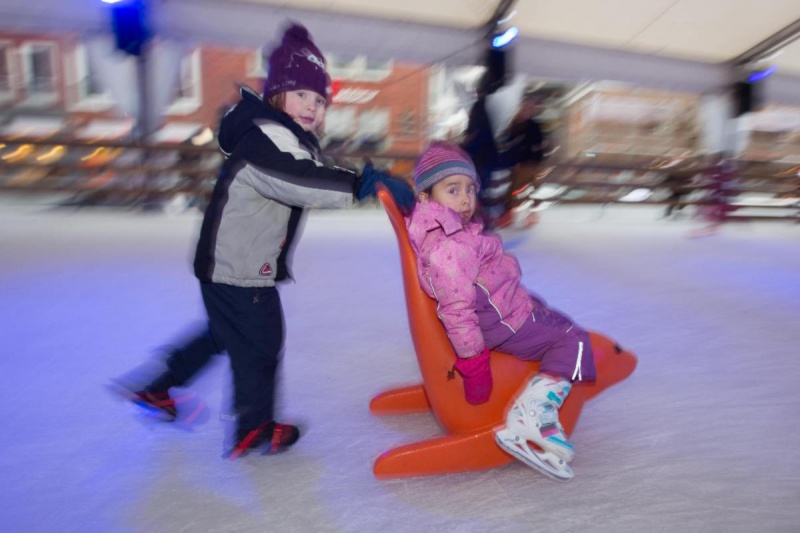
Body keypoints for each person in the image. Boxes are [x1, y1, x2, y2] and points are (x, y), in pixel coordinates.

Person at [114, 22, 412, 459]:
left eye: (319, 99)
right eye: (302, 95)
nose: (312, 107)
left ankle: (158, 387)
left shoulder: (274, 134)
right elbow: (297, 179)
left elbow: (307, 164)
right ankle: (254, 428)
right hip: (241, 267)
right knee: (261, 342)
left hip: (224, 262)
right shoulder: (265, 138)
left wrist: (361, 173)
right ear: (277, 94)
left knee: (224, 335)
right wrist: (360, 185)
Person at [405, 142, 596, 481]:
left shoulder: (448, 233)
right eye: (453, 190)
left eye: (469, 189)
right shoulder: (450, 248)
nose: (465, 199)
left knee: (550, 315)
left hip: (500, 308)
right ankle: (533, 414)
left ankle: (539, 388)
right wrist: (475, 365)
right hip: (500, 323)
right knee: (576, 341)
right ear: (425, 197)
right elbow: (457, 311)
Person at [494, 93, 550, 229]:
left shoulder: (532, 126)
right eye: (525, 107)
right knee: (519, 190)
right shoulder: (516, 124)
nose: (527, 110)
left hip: (528, 164)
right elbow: (509, 143)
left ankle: (515, 217)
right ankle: (518, 216)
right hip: (516, 164)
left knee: (519, 190)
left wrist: (536, 161)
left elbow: (535, 146)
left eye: (530, 108)